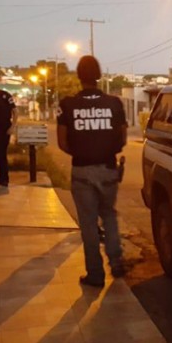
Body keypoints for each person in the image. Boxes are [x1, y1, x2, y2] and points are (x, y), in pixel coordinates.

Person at [57, 55, 128, 287]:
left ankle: (95, 274)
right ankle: (116, 259)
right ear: (98, 75)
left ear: (79, 76)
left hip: (82, 170)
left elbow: (62, 143)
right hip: (108, 168)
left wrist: (82, 153)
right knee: (109, 214)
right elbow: (123, 138)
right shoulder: (115, 103)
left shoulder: (67, 105)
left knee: (88, 223)